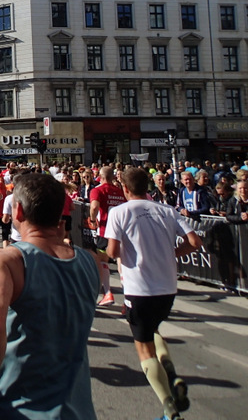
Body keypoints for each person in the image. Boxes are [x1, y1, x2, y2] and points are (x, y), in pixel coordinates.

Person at [0, 173, 99, 419]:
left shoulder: (6, 260)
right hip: (78, 409)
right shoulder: (89, 261)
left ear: (18, 213)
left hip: (21, 407)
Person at [105, 168, 203, 420]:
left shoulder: (119, 212)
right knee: (153, 330)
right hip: (167, 287)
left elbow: (113, 251)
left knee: (143, 348)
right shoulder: (167, 210)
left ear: (125, 189)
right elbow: (194, 242)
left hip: (138, 288)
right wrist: (173, 254)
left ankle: (168, 405)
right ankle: (171, 374)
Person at [88, 165, 126, 306]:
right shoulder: (120, 192)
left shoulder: (97, 190)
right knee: (122, 263)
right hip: (121, 231)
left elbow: (94, 207)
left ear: (100, 176)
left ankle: (108, 292)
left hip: (105, 230)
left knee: (102, 260)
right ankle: (127, 300)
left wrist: (92, 219)